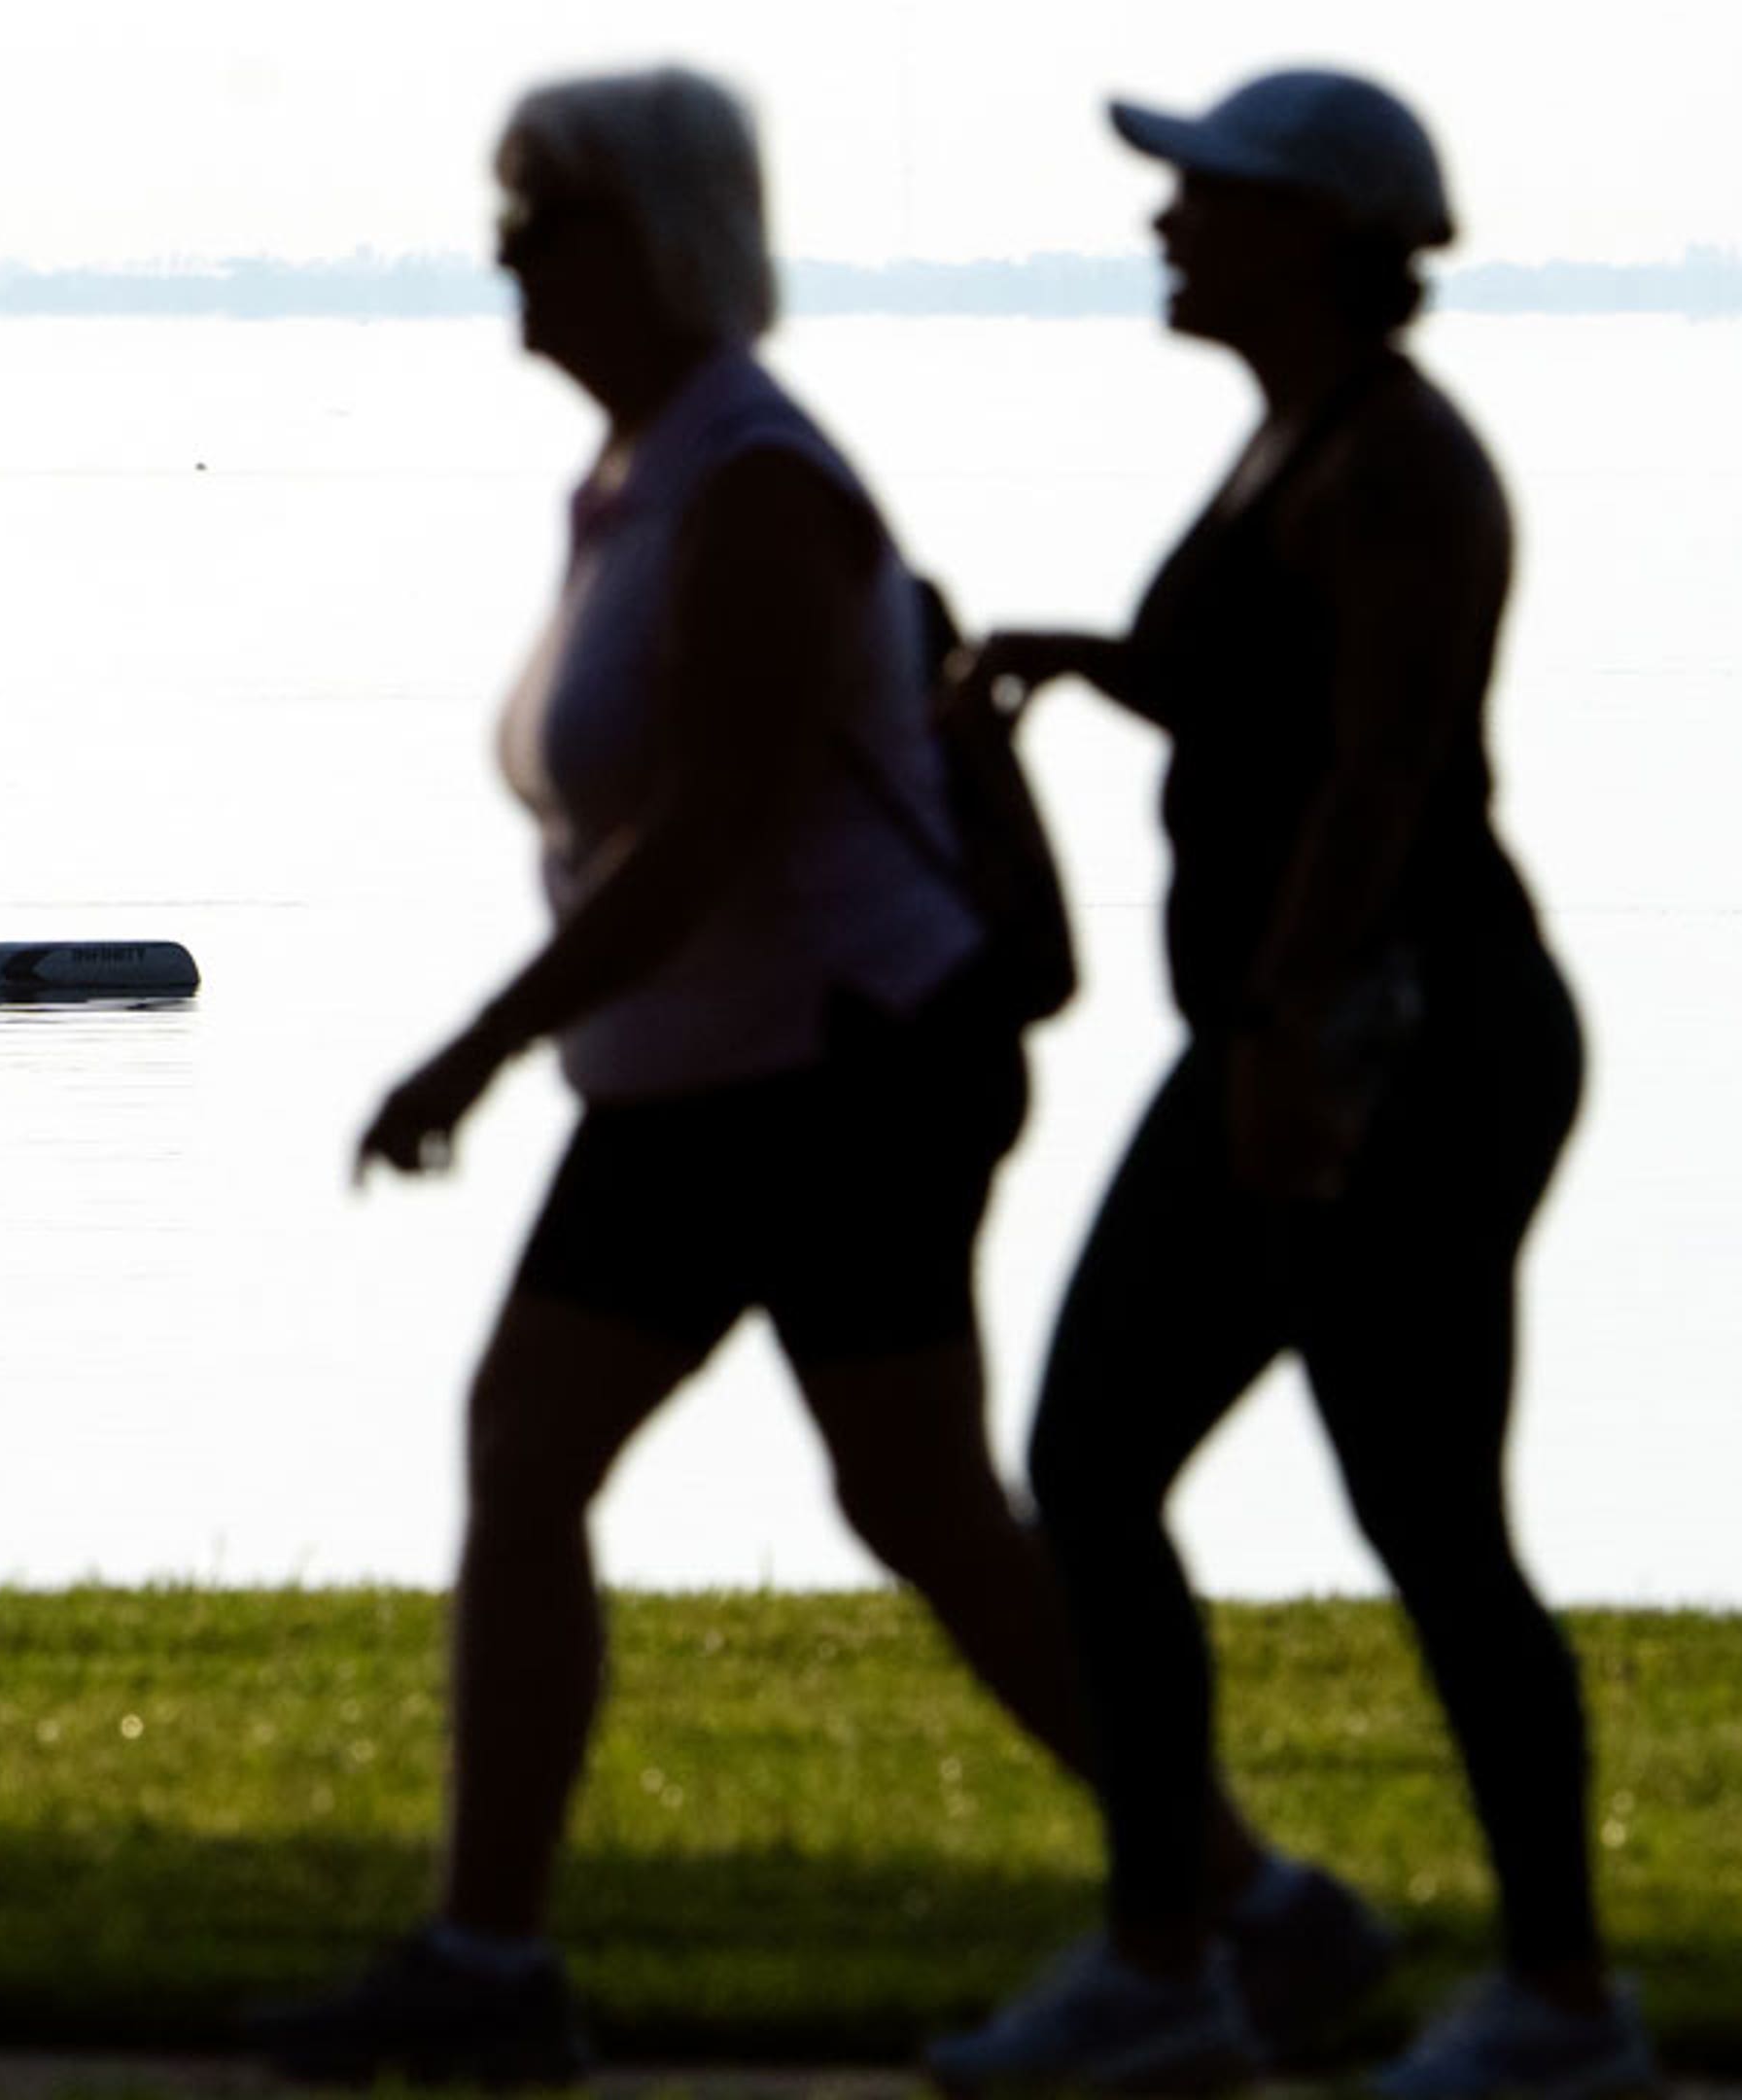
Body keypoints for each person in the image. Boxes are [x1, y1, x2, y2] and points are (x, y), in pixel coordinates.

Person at [252, 65, 1307, 2087]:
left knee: (571, 1453)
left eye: (537, 220)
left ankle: (496, 1963)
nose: (506, 260)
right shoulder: (653, 472)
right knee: (896, 1499)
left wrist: (476, 1045)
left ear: (647, 241)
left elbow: (718, 832)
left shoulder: (748, 483)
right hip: (739, 1071)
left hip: (826, 1071)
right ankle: (1249, 1900)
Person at [924, 71, 1655, 2098]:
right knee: (1089, 1464)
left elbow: (1383, 767)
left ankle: (1564, 2004)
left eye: (1205, 200)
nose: (1167, 227)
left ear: (1320, 236)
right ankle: (1172, 1960)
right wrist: (1091, 662)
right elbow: (1276, 692)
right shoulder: (1305, 442)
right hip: (1296, 1022)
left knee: (1425, 1511)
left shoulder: (1405, 467)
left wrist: (1276, 1044)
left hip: (1393, 1038)